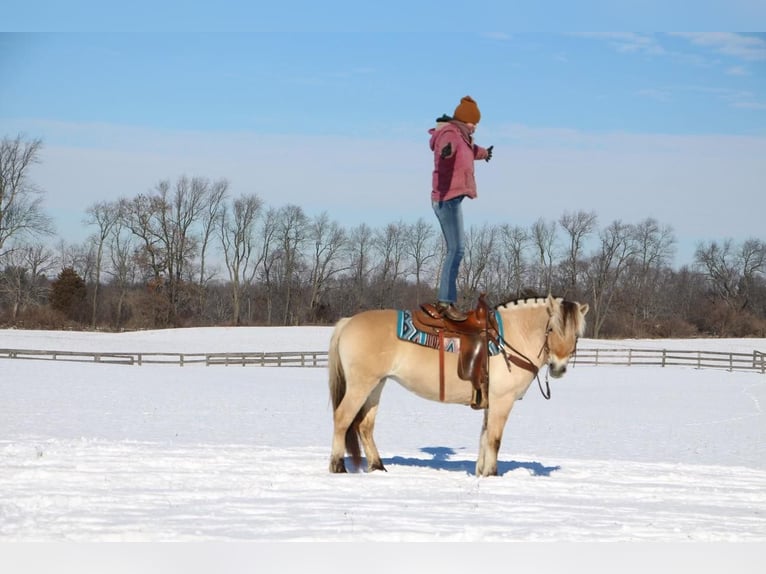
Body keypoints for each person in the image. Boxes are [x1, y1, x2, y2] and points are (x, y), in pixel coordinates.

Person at [428, 95, 493, 321]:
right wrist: (445, 153)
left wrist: (485, 154)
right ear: (463, 120)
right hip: (446, 198)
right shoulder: (450, 135)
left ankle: (447, 300)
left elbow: (471, 149)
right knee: (456, 250)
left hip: (452, 198)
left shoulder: (463, 137)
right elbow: (446, 148)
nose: (475, 126)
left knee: (457, 249)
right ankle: (445, 302)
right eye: (472, 122)